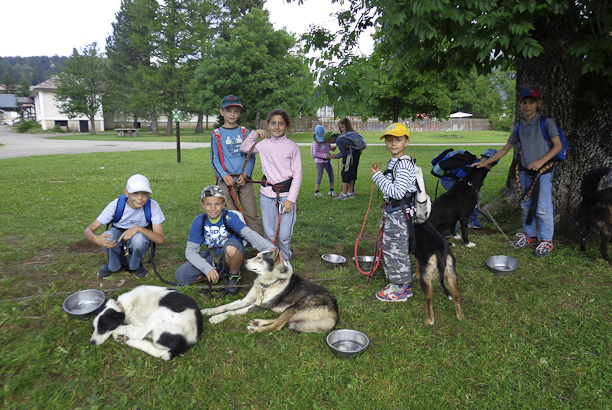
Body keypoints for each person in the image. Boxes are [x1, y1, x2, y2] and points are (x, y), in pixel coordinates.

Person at [474, 87, 563, 257]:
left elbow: (557, 146)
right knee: (526, 205)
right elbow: (505, 149)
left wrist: (540, 162)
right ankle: (530, 236)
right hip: (524, 172)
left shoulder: (546, 123)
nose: (527, 106)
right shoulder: (519, 127)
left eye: (531, 102)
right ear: (520, 105)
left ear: (538, 104)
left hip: (543, 172)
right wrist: (484, 162)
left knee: (543, 208)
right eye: (524, 103)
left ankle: (546, 241)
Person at [174, 185, 275, 294]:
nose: (213, 208)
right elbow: (190, 252)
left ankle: (234, 275)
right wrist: (207, 268)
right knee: (181, 276)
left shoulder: (230, 217)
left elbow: (249, 234)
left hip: (232, 254)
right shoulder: (199, 221)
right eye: (208, 204)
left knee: (230, 248)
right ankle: (220, 275)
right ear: (202, 205)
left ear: (223, 204)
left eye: (217, 204)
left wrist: (270, 248)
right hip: (213, 256)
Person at [240, 109, 302, 263]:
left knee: (284, 236)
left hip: (286, 196)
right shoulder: (263, 144)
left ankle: (285, 260)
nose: (276, 127)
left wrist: (291, 200)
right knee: (270, 233)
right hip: (267, 196)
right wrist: (256, 133)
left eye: (281, 123)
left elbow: (297, 175)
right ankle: (273, 260)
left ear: (286, 126)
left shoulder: (292, 146)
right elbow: (244, 147)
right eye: (273, 123)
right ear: (268, 125)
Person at [84, 174, 165, 279]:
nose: (140, 198)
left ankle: (135, 265)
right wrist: (96, 239)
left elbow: (160, 239)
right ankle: (113, 265)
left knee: (139, 240)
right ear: (126, 192)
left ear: (149, 194)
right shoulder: (116, 205)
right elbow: (88, 230)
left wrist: (138, 228)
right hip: (118, 231)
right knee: (108, 236)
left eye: (144, 193)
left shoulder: (153, 206)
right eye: (135, 193)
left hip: (140, 233)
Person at [370, 123, 417, 302]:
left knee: (397, 251)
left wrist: (377, 177)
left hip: (400, 215)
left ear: (407, 142)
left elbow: (397, 192)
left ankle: (401, 289)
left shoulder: (404, 164)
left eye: (398, 140)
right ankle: (400, 284)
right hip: (393, 212)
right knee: (390, 249)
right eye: (389, 140)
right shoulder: (395, 161)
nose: (393, 144)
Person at [210, 94, 265, 236]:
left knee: (251, 213)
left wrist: (245, 174)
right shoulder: (216, 134)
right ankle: (235, 243)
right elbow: (214, 159)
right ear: (222, 112)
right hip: (226, 181)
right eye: (229, 111)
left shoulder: (245, 132)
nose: (232, 114)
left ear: (239, 113)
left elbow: (250, 156)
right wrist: (224, 176)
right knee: (231, 214)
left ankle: (259, 246)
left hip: (243, 180)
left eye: (236, 111)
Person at [437, 148, 498, 229]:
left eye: (492, 165)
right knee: (456, 201)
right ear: (480, 159)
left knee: (477, 196)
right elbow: (461, 178)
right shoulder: (472, 166)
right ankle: (450, 223)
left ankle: (472, 219)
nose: (489, 166)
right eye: (488, 163)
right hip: (449, 181)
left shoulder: (480, 168)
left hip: (459, 183)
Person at [330, 118, 362, 200]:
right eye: (340, 128)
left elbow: (343, 153)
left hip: (350, 157)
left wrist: (336, 156)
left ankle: (344, 194)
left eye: (343, 127)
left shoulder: (340, 138)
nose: (342, 129)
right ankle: (350, 192)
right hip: (356, 155)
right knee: (352, 173)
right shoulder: (352, 134)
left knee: (345, 173)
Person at [310, 124, 335, 197]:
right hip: (319, 162)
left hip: (327, 162)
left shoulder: (326, 141)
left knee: (331, 175)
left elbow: (328, 147)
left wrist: (332, 148)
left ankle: (331, 190)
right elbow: (316, 153)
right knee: (319, 176)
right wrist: (325, 156)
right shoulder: (315, 143)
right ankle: (317, 192)